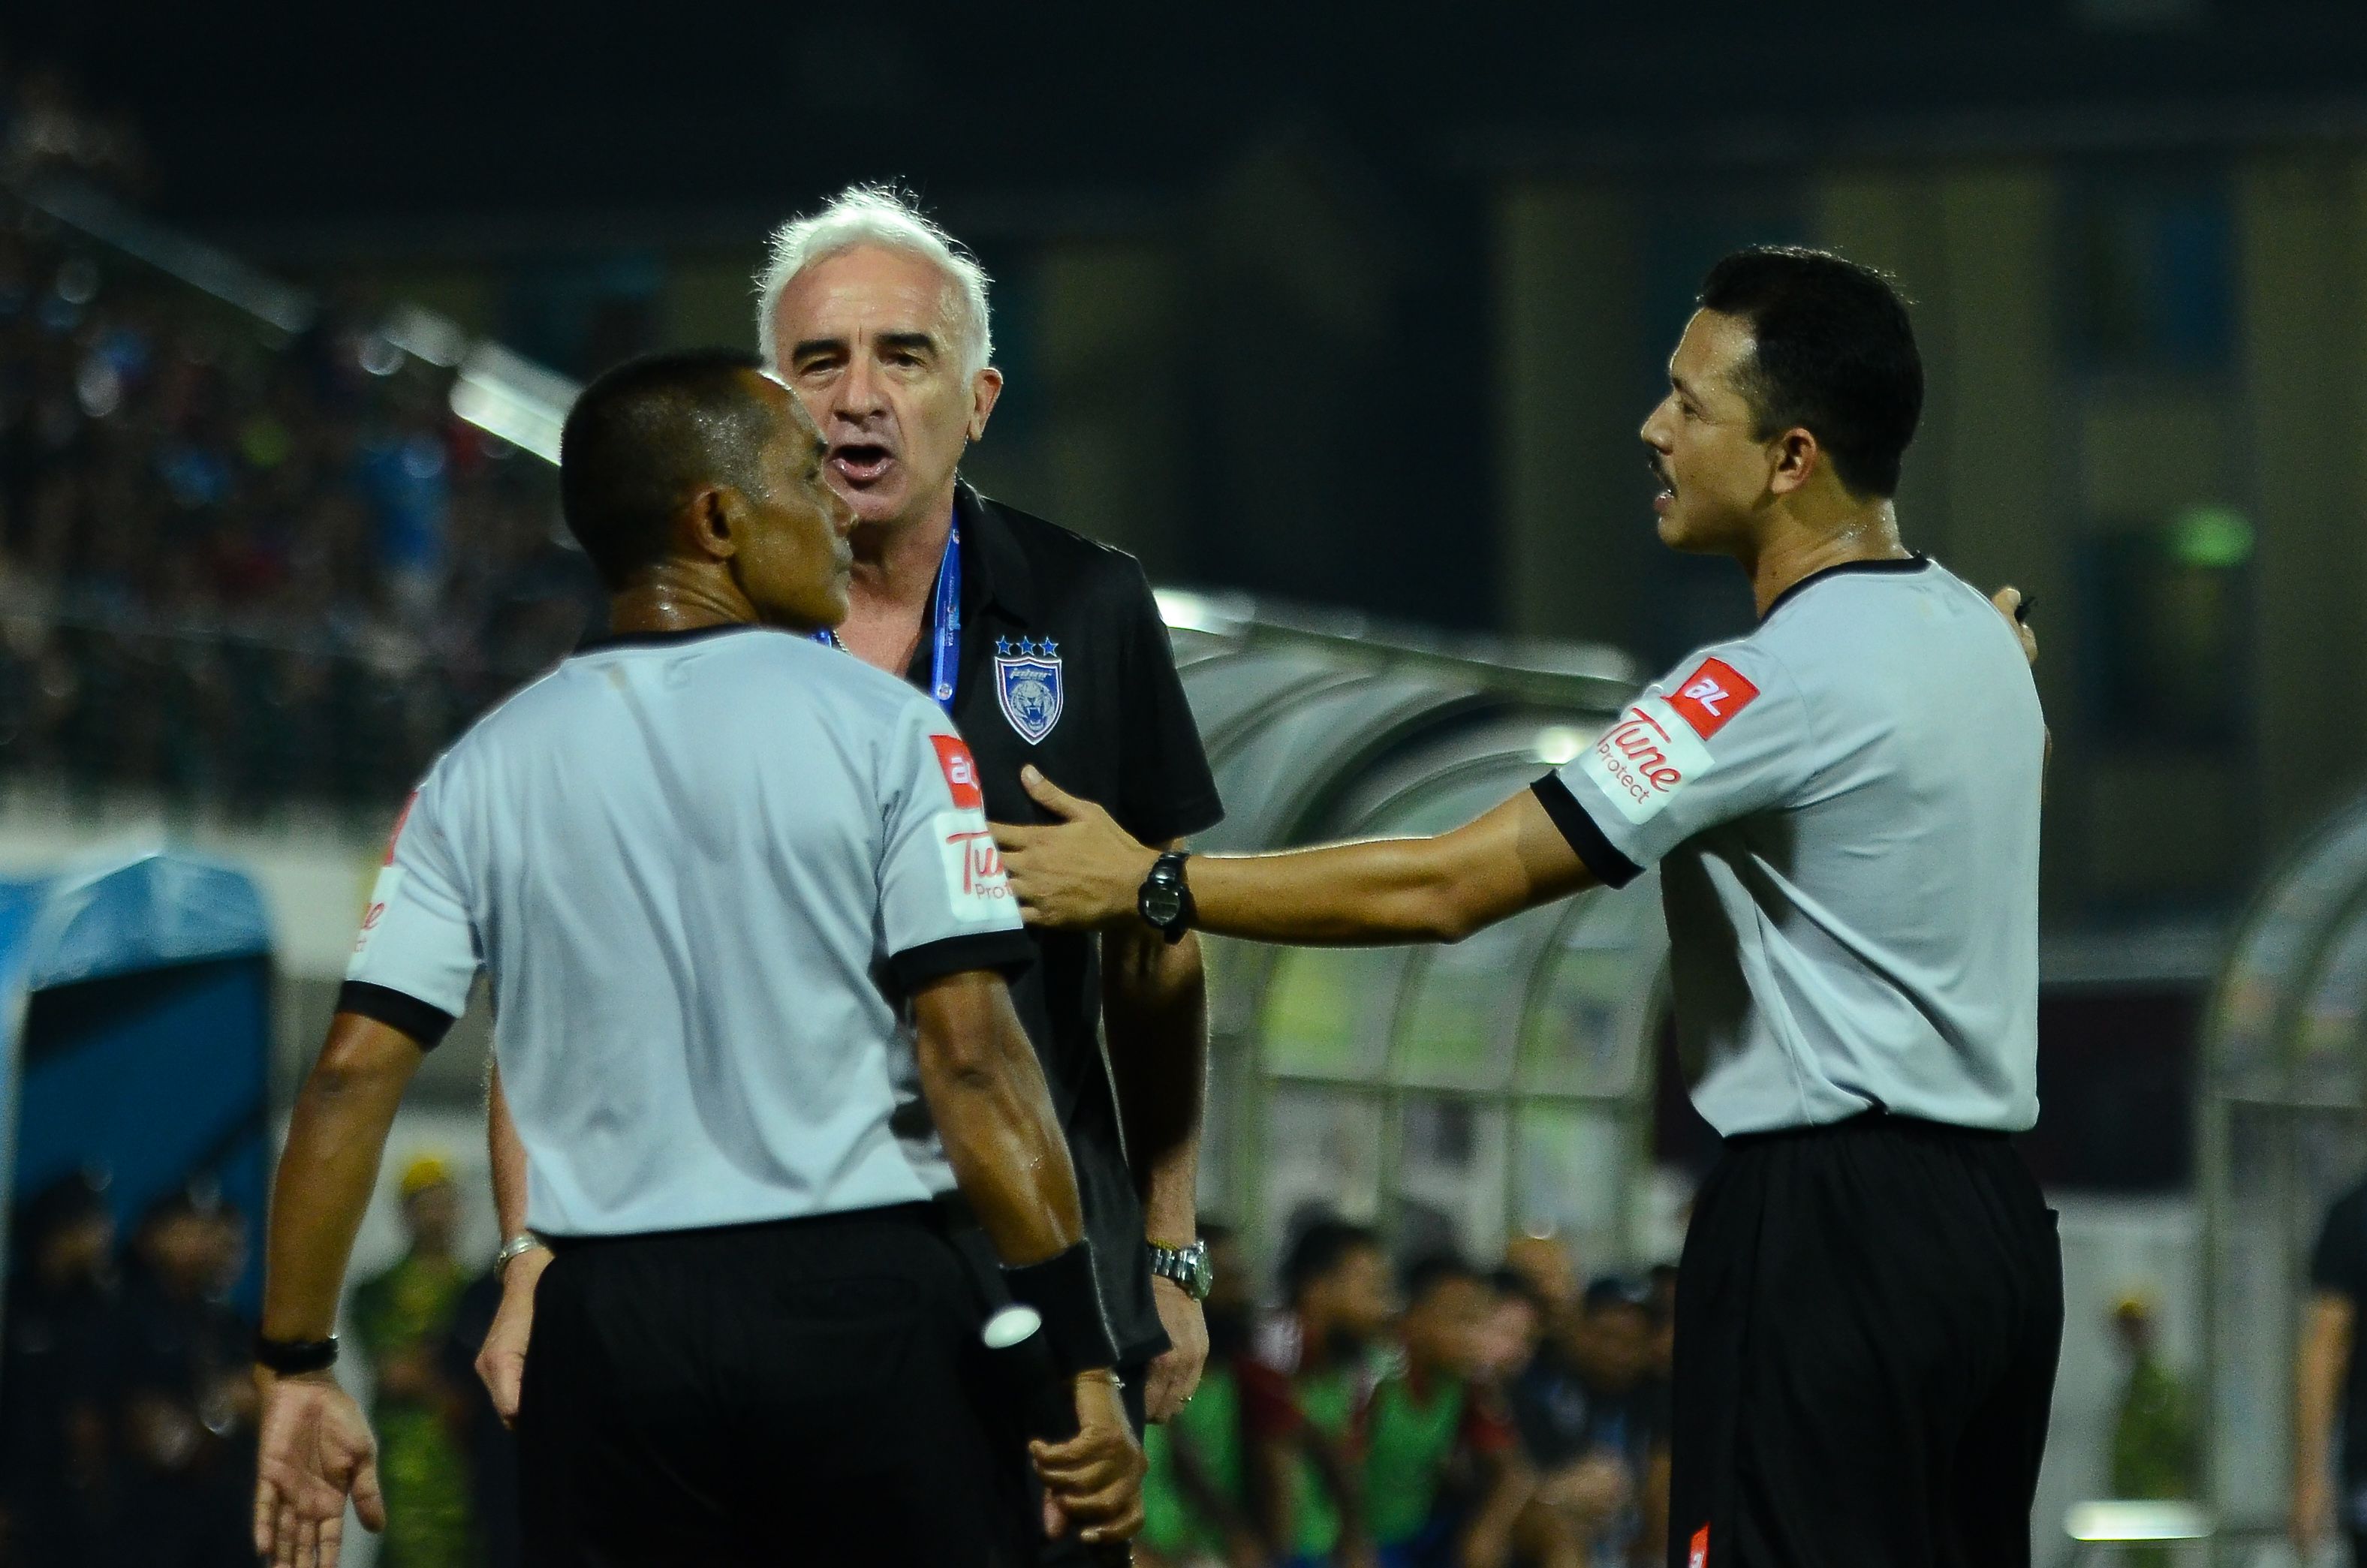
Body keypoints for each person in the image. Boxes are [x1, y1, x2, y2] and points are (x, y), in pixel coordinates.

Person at [998, 245, 2060, 1568]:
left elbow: (1452, 882)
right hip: (1993, 1234)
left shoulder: (1754, 687)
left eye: (1687, 404)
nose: (1649, 428)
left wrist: (1155, 880)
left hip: (1822, 1229)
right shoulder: (1974, 631)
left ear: (1790, 457)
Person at [248, 350, 1143, 1568]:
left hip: (611, 1343)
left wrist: (296, 1362)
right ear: (717, 518)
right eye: (803, 476)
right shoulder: (889, 731)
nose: (839, 507)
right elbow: (975, 1058)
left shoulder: (482, 770)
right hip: (867, 1308)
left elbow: (351, 1074)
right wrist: (1077, 1356)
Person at [477, 184, 1224, 1449]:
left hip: (1033, 1258)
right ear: (764, 404)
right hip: (735, 1269)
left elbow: (1156, 951)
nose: (857, 392)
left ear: (978, 402)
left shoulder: (1088, 606)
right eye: (817, 360)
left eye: (904, 355)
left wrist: (1168, 1240)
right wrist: (532, 1247)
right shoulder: (673, 629)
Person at [110, 1186, 257, 1568]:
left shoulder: (229, 1324)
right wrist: (216, 1410)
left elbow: (260, 1399)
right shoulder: (126, 1313)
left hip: (225, 1522)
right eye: (193, 1228)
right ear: (153, 1236)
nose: (209, 1244)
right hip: (149, 1521)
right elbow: (149, 1432)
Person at [1241, 1219, 1398, 1568]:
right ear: (1317, 1289)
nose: (1384, 1309)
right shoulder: (1267, 1349)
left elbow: (1350, 1461)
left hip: (1326, 1549)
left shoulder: (1361, 1364)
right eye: (1374, 1291)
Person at [348, 1154, 476, 1568]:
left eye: (444, 1201)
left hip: (473, 1471)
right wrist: (455, 1389)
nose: (437, 1213)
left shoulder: (477, 1289)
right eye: (425, 1202)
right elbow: (395, 1373)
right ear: (406, 1212)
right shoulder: (379, 1290)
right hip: (411, 1472)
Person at [1363, 1255, 1531, 1568]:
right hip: (1365, 1541)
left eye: (1481, 1322)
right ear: (1411, 1322)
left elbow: (1512, 1471)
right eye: (1461, 1320)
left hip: (1422, 1535)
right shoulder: (1374, 1382)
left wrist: (1487, 1531)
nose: (1475, 1338)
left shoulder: (1466, 1384)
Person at [0, 1170, 124, 1566]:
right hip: (19, 1499)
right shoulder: (15, 1305)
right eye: (93, 1223)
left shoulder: (95, 1308)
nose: (106, 1233)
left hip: (77, 1506)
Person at [1511, 1278, 1670, 1566]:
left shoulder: (1658, 1400)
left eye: (1630, 1342)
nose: (1616, 1352)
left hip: (1633, 1548)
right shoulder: (1542, 1388)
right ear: (1578, 1329)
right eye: (1605, 1335)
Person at [1138, 1223, 1265, 1568]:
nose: (1240, 1292)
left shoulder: (1234, 1373)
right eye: (1221, 1278)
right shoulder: (1142, 1371)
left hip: (1193, 1545)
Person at [2295, 1176, 2367, 1560]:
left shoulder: (2352, 1213)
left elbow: (2326, 1344)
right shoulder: (2353, 1216)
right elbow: (2327, 1345)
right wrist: (2310, 1476)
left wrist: (2309, 1476)